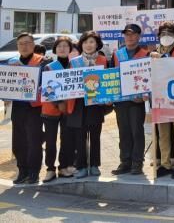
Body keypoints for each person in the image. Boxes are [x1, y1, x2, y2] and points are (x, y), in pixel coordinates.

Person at [151, 22, 174, 179]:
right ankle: (165, 163)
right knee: (163, 133)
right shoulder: (154, 52)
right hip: (160, 98)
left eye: (170, 32)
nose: (166, 35)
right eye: (163, 33)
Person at [111, 24, 150, 176]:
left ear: (139, 36)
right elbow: (111, 76)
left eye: (133, 34)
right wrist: (109, 97)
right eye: (127, 34)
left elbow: (150, 78)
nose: (129, 37)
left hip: (136, 101)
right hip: (120, 101)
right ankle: (125, 162)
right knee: (124, 132)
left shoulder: (146, 54)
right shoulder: (117, 54)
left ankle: (137, 163)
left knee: (137, 132)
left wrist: (146, 95)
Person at [69, 31, 109, 178]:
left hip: (96, 103)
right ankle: (81, 166)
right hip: (79, 104)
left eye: (91, 42)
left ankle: (94, 165)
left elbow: (108, 81)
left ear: (97, 44)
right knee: (80, 137)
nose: (88, 45)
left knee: (95, 136)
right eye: (85, 42)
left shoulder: (104, 60)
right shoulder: (74, 61)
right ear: (81, 44)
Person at [9, 32, 46, 185]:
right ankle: (22, 171)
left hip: (34, 107)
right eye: (21, 44)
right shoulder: (11, 63)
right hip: (17, 107)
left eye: (27, 43)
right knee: (18, 141)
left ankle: (33, 172)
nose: (24, 46)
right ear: (17, 46)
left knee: (34, 140)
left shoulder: (42, 62)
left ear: (33, 45)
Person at [41, 36, 76, 182]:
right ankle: (50, 169)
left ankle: (63, 167)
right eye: (59, 46)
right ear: (55, 49)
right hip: (51, 110)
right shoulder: (49, 66)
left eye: (65, 46)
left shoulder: (75, 65)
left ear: (70, 49)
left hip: (69, 109)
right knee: (50, 141)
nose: (62, 48)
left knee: (67, 139)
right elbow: (46, 89)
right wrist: (58, 102)